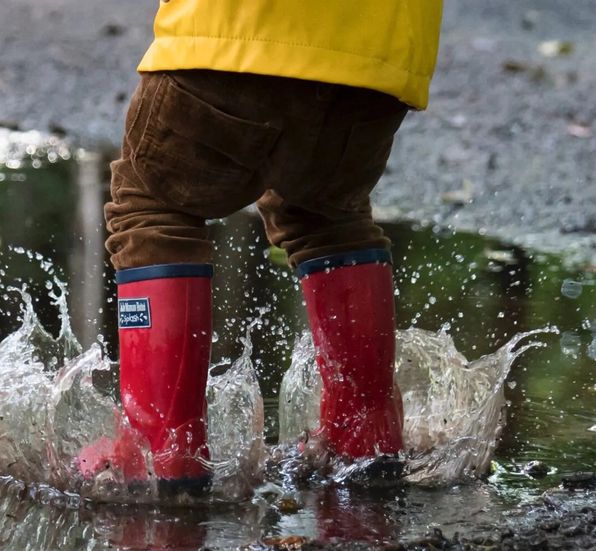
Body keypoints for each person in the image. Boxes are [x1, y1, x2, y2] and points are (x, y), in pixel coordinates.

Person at [93, 1, 443, 489]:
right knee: (327, 215)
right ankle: (365, 438)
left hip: (240, 31)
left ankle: (162, 454)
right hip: (379, 60)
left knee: (152, 205)